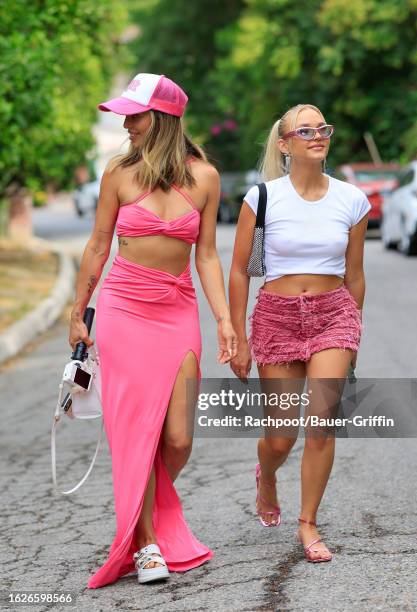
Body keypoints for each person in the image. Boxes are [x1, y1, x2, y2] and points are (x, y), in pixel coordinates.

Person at [69, 73, 237, 588]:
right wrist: (79, 310)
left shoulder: (204, 177)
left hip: (177, 310)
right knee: (136, 433)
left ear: (161, 118)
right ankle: (144, 543)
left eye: (134, 115)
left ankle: (140, 517)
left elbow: (206, 254)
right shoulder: (118, 174)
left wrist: (226, 319)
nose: (125, 123)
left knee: (180, 439)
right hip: (122, 310)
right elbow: (98, 246)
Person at [229, 104, 371, 563]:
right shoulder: (263, 198)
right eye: (304, 130)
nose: (317, 135)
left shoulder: (352, 200)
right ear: (285, 144)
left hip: (334, 315)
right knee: (280, 436)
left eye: (322, 128)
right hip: (277, 316)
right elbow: (239, 271)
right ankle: (267, 476)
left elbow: (355, 274)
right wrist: (238, 337)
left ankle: (308, 523)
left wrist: (355, 329)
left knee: (322, 427)